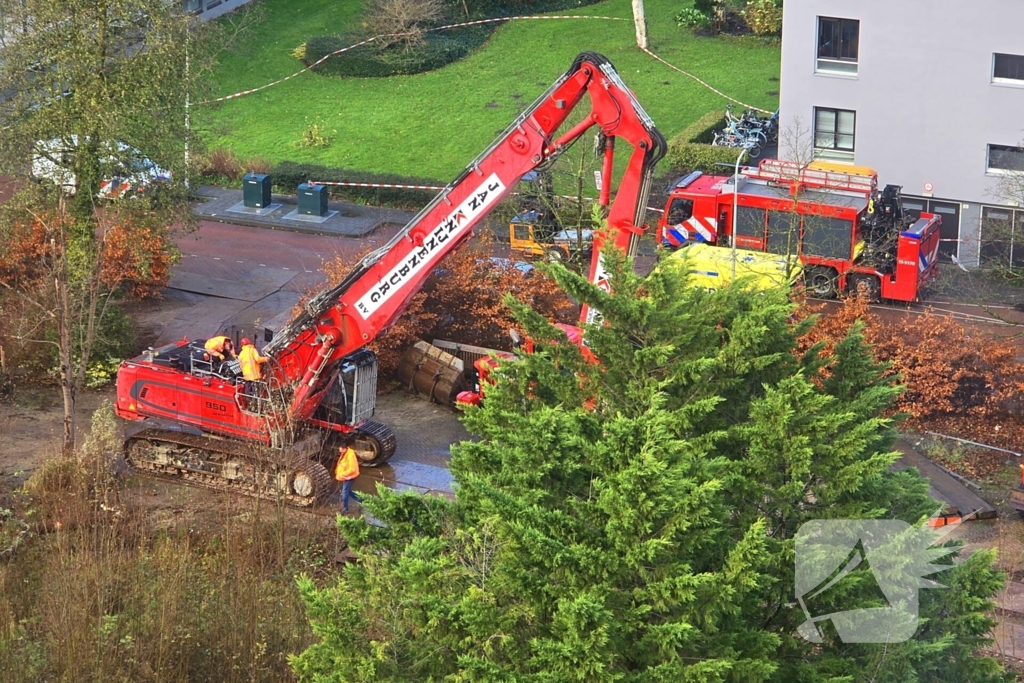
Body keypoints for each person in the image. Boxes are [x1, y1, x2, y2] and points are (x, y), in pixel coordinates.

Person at [334, 445, 362, 513]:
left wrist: (342, 474)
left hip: (349, 477)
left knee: (344, 493)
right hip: (346, 477)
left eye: (340, 449)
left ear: (344, 449)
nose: (339, 451)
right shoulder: (345, 453)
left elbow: (352, 469)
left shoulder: (350, 456)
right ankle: (360, 500)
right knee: (348, 491)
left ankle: (345, 509)